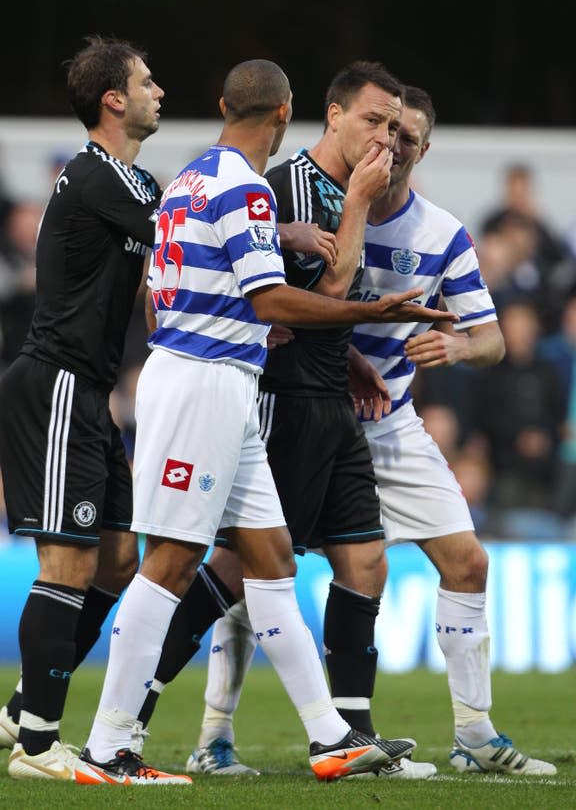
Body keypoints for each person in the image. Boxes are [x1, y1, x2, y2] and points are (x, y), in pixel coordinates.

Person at [73, 59, 459, 787]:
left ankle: (329, 738)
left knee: (274, 556)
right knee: (173, 561)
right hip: (204, 385)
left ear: (227, 104)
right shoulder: (245, 187)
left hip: (218, 377)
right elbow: (272, 302)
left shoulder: (190, 179)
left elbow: (169, 294)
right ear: (287, 116)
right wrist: (375, 313)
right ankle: (106, 745)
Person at [171, 85, 557, 778]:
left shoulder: (441, 233)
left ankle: (469, 733)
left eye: (407, 136)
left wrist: (459, 348)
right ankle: (212, 733)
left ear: (425, 148)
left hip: (388, 422)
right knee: (245, 568)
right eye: (384, 129)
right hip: (294, 407)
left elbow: (492, 337)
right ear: (353, 129)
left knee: (462, 562)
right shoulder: (308, 198)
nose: (393, 144)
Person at [0, 36, 172, 782]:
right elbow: (189, 233)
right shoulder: (98, 178)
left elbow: (157, 274)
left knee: (118, 559)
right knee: (66, 560)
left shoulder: (127, 183)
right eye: (147, 80)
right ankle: (37, 746)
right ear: (114, 100)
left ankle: (26, 703)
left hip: (90, 393)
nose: (160, 90)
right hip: (58, 383)